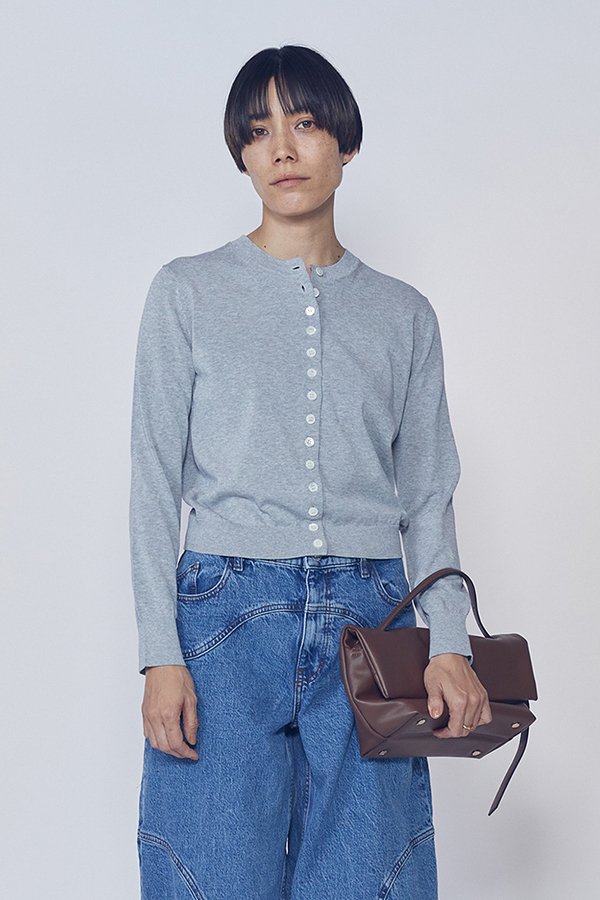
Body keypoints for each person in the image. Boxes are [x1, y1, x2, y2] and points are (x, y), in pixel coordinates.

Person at [129, 44, 492, 900]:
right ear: (242, 153)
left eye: (304, 123)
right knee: (211, 876)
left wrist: (447, 641)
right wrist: (158, 655)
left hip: (373, 616)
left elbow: (428, 492)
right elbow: (151, 481)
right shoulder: (186, 292)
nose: (282, 149)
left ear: (346, 142)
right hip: (223, 621)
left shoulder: (404, 314)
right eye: (258, 131)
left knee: (370, 876)